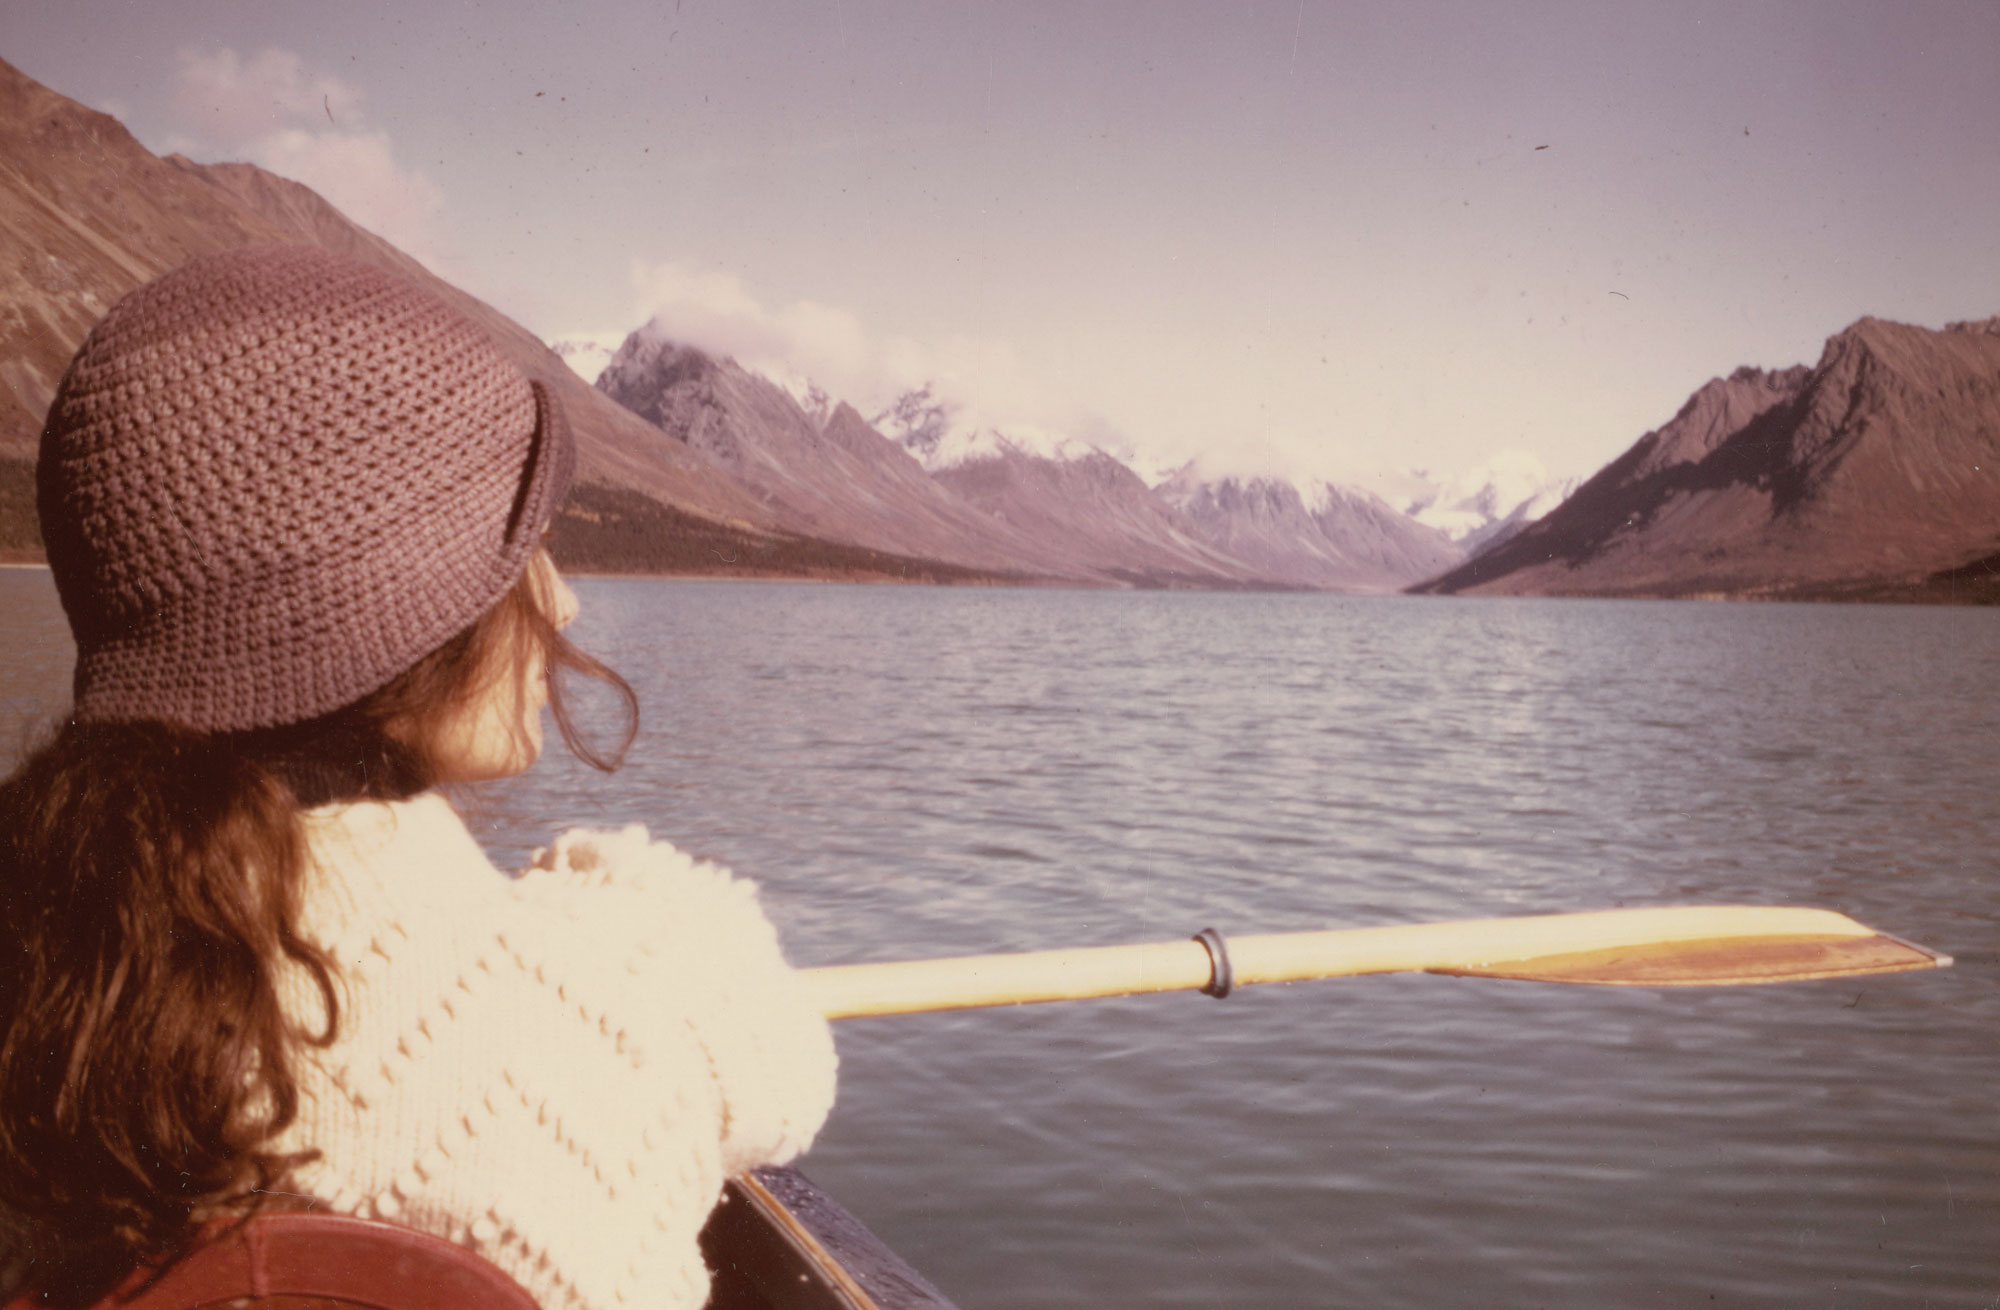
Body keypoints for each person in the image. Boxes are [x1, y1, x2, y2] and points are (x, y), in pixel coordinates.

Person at [0, 245, 837, 1309]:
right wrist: (592, 880)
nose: (563, 602)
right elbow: (786, 1065)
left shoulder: (37, 986)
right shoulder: (625, 994)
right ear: (394, 603)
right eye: (520, 547)